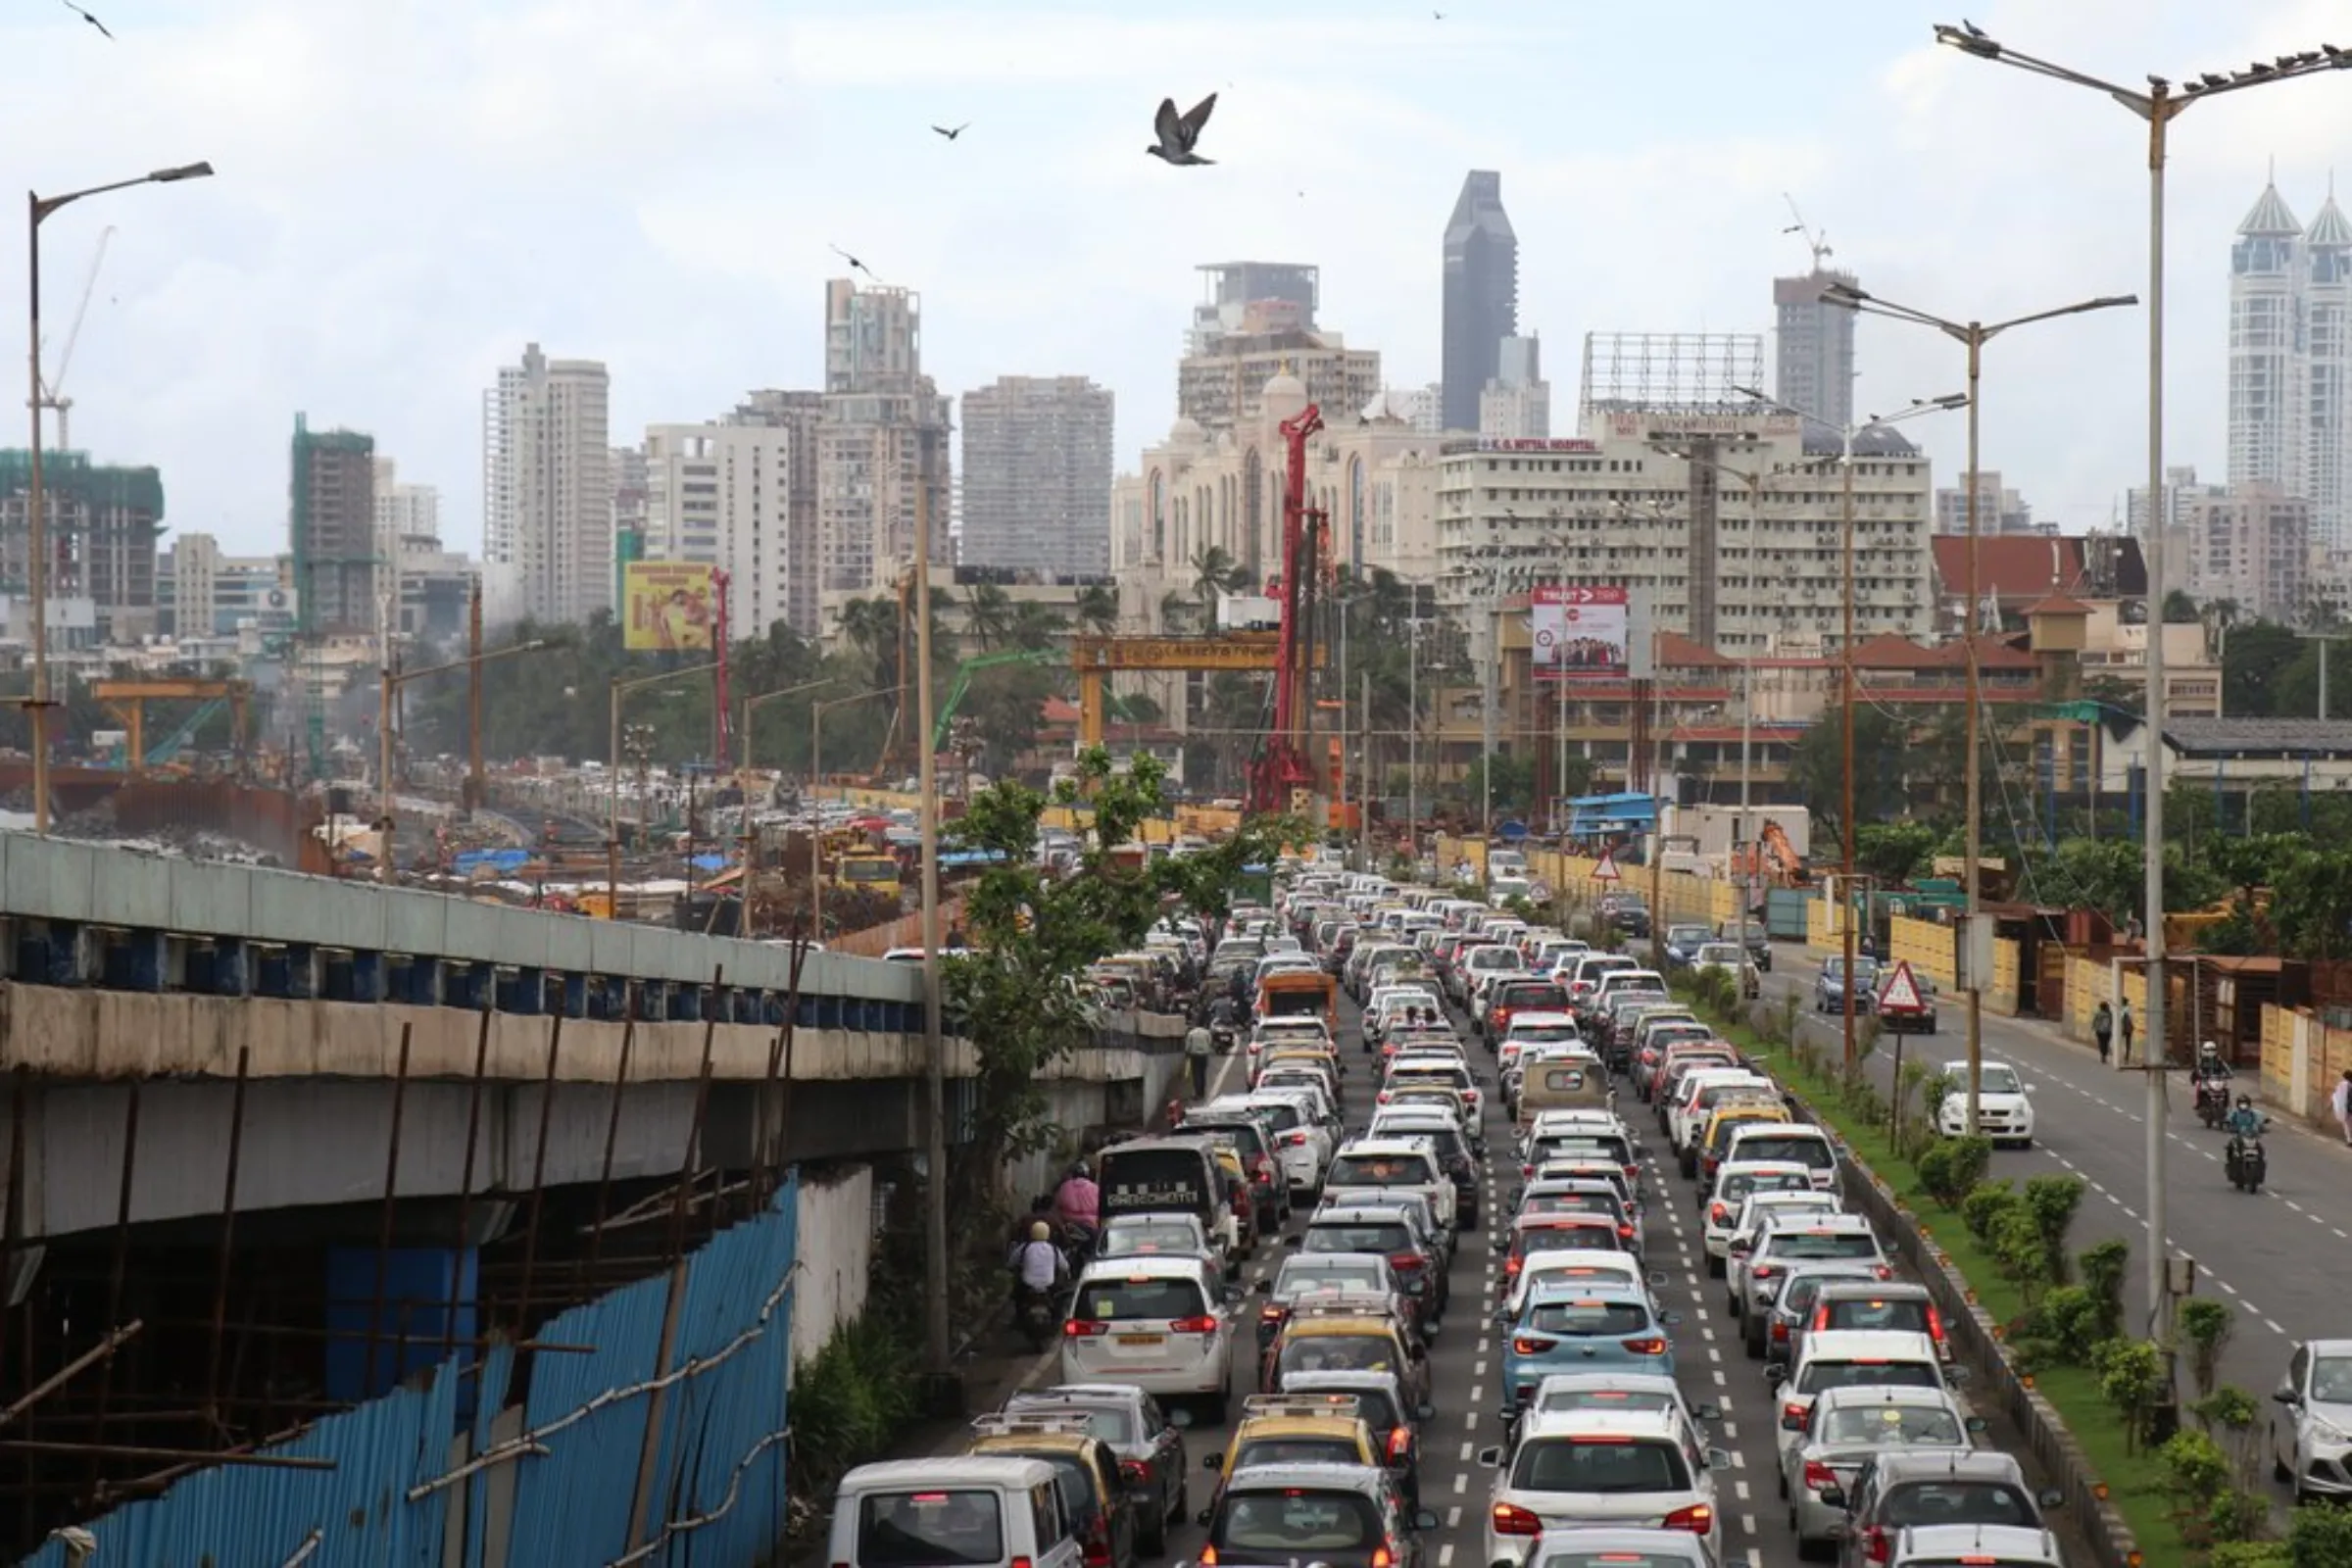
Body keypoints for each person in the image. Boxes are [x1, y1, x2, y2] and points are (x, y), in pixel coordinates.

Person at [1007, 1220, 1069, 1312]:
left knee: (1016, 1296)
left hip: (1027, 1285)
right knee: (1060, 1299)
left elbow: (1011, 1263)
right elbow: (1065, 1266)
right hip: (1049, 1285)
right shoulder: (1054, 1249)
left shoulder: (1024, 1247)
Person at [1053, 1160, 1100, 1242]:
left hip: (1069, 1224)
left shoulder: (1065, 1186)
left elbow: (1057, 1205)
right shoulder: (1094, 1188)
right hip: (1090, 1224)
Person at [1184, 1018, 1213, 1098]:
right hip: (1204, 1055)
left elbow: (1187, 1046)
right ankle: (1202, 1092)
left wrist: (1187, 1054)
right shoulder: (1206, 1032)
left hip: (1194, 1055)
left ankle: (1197, 1093)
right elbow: (1210, 1042)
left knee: (1196, 1074)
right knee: (1202, 1073)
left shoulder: (1191, 1033)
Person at [2333, 1069, 2352, 1146]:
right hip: (2349, 1106)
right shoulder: (2348, 1084)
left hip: (2347, 1107)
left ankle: (2349, 1140)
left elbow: (2338, 1096)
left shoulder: (2343, 1084)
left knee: (2347, 1124)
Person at [2091, 1001, 2114, 1066]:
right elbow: (2112, 1021)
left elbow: (2094, 1021)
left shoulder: (2098, 1013)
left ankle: (2103, 1055)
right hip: (2107, 1031)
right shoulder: (2109, 1014)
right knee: (2106, 1043)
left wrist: (2093, 1027)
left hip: (2099, 1031)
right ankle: (2104, 1055)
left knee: (2101, 1043)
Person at [2118, 1001, 2136, 1066]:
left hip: (2123, 1029)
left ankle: (2122, 1057)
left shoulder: (2122, 1010)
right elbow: (2133, 1019)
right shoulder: (2130, 1009)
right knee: (2128, 1043)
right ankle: (2127, 1057)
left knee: (2122, 1043)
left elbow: (2120, 1019)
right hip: (2130, 1028)